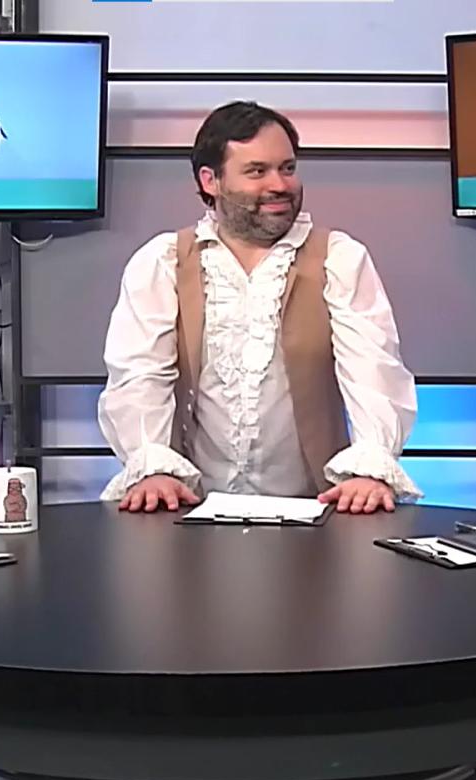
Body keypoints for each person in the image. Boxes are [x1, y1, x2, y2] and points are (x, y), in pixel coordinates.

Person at [97, 101, 420, 515]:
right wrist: (151, 466)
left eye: (287, 168)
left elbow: (374, 373)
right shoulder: (163, 262)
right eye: (257, 171)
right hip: (189, 512)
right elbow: (139, 377)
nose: (280, 184)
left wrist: (370, 467)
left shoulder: (340, 258)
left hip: (316, 514)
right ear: (210, 180)